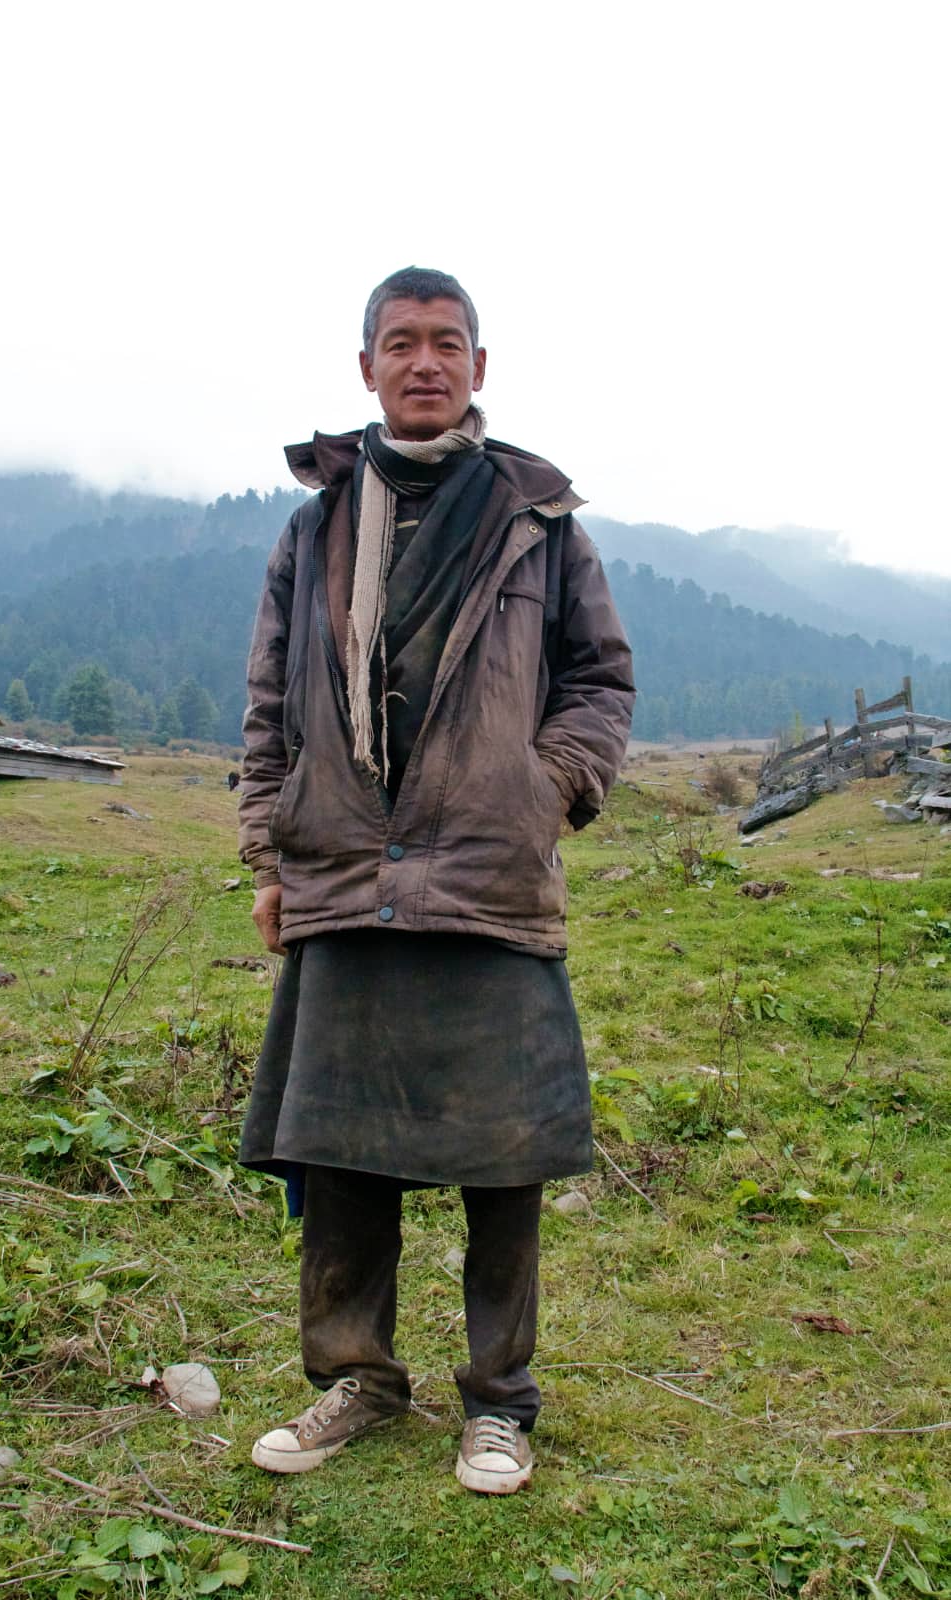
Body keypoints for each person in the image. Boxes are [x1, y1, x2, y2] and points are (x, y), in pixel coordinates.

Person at [237, 266, 634, 1494]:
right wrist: (268, 846)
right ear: (365, 368)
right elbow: (265, 707)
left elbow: (599, 680)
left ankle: (498, 1402)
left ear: (477, 365)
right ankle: (353, 1375)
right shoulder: (313, 529)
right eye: (398, 344)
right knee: (341, 1150)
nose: (423, 363)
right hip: (343, 868)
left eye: (445, 343)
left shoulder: (538, 519)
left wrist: (545, 785)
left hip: (485, 876)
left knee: (502, 1152)